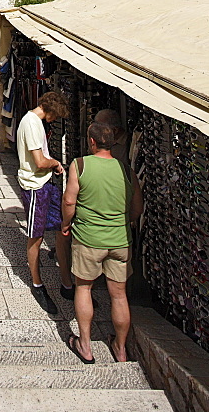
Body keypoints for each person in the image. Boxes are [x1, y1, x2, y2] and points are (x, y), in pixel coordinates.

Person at [61, 120, 143, 363]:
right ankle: (120, 348)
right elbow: (137, 208)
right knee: (118, 295)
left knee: (84, 288)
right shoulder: (126, 171)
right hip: (119, 240)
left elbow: (68, 201)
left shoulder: (81, 165)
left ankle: (85, 345)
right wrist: (120, 223)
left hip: (89, 238)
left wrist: (66, 224)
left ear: (92, 141)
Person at [16, 90, 72, 315]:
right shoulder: (31, 123)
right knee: (36, 236)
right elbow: (39, 161)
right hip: (35, 186)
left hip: (45, 183)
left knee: (60, 227)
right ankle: (38, 284)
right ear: (50, 111)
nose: (55, 120)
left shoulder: (36, 122)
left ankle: (66, 282)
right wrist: (56, 163)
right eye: (56, 116)